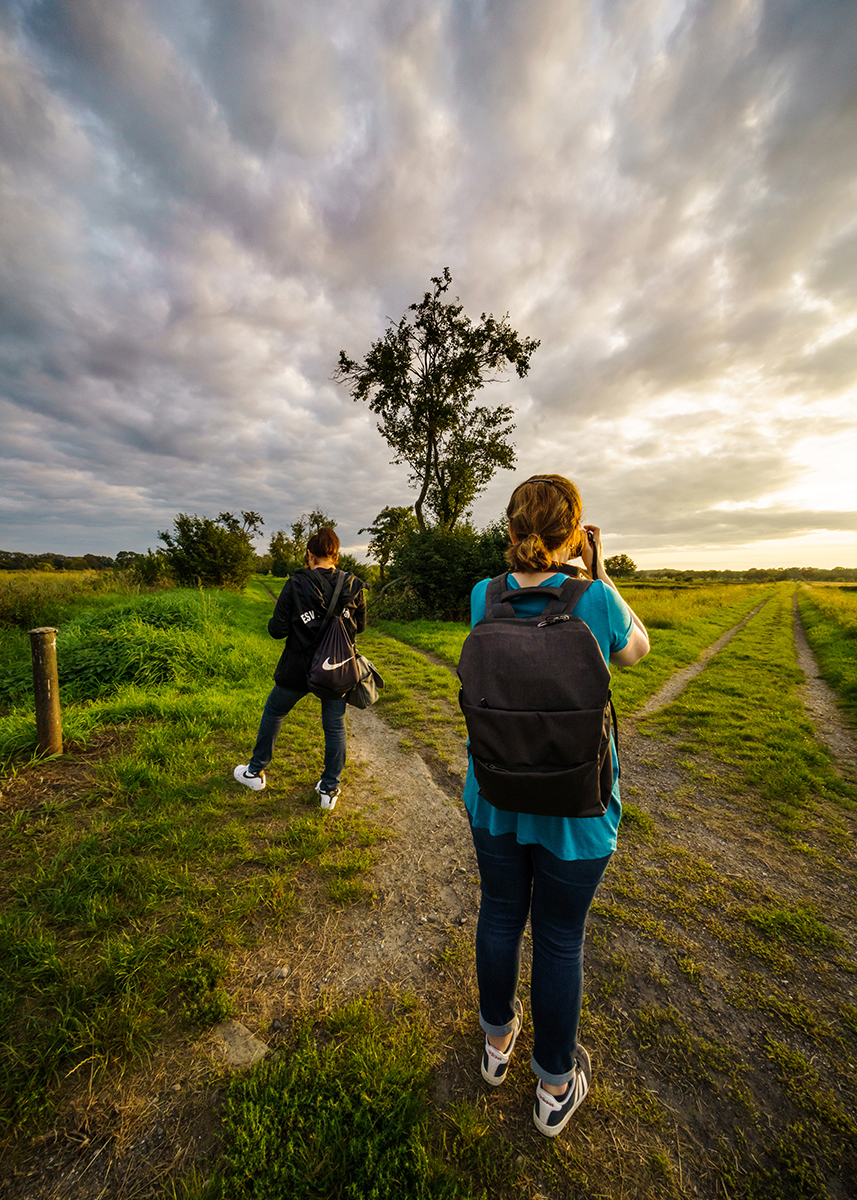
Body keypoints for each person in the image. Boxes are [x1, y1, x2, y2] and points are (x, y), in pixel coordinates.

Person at [464, 474, 649, 1137]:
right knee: (559, 939)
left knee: (498, 914)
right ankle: (553, 1087)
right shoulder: (594, 598)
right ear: (575, 534)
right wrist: (598, 572)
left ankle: (495, 1047)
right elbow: (637, 651)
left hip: (495, 796)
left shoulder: (483, 595)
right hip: (578, 804)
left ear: (511, 530)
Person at [233, 527, 366, 811]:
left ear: (309, 554)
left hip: (297, 667)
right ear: (336, 555)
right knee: (334, 726)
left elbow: (277, 630)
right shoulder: (354, 585)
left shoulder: (296, 583)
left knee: (274, 712)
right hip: (336, 668)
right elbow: (360, 627)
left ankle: (254, 772)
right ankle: (329, 790)